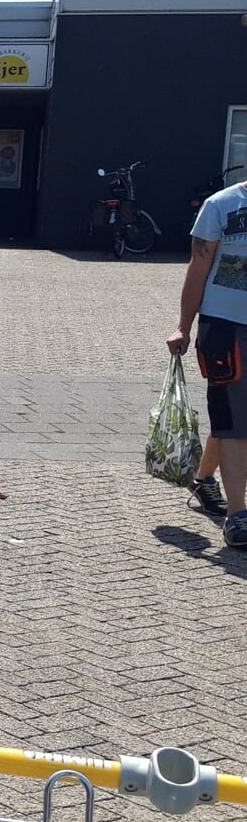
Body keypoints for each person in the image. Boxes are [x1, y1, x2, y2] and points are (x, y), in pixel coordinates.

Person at [169, 169, 247, 546]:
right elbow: (198, 269)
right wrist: (183, 327)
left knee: (234, 417)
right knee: (233, 416)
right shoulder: (221, 206)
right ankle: (238, 515)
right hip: (225, 326)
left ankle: (202, 481)